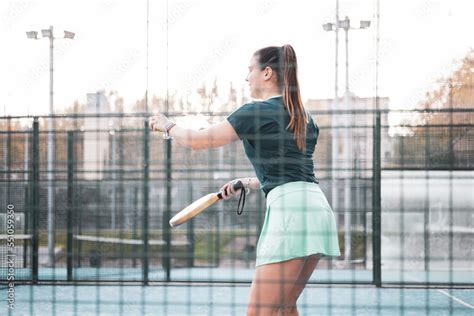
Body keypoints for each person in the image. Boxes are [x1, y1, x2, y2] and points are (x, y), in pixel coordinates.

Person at [150, 44, 340, 316]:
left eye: (250, 70)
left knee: (259, 312)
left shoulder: (254, 111)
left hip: (290, 214)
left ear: (266, 73)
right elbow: (292, 172)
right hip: (317, 210)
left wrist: (167, 125)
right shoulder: (305, 118)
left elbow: (200, 141)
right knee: (285, 307)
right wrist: (249, 182)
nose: (246, 77)